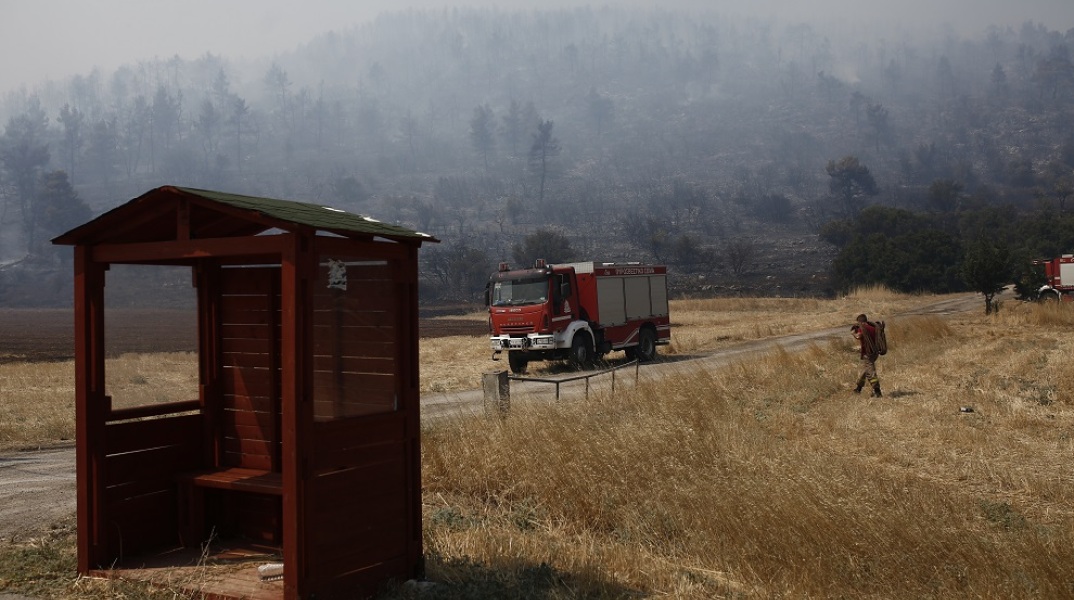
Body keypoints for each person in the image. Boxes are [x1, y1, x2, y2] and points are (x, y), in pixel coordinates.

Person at [851, 313, 881, 397]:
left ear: (860, 322)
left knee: (871, 372)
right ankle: (858, 388)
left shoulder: (863, 328)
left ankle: (877, 391)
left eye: (858, 323)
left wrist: (853, 333)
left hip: (867, 354)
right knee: (865, 370)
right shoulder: (873, 328)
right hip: (874, 352)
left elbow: (858, 336)